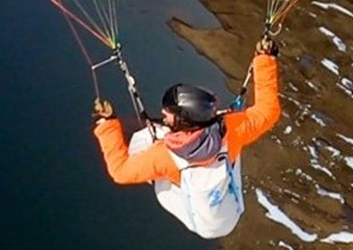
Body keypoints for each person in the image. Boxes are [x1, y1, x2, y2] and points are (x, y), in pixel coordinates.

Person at [92, 34, 280, 238]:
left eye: (168, 114)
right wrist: (264, 60)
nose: (162, 114)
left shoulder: (164, 157)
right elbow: (268, 111)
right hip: (230, 208)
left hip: (205, 224)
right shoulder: (232, 129)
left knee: (145, 140)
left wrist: (107, 124)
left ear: (184, 122)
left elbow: (120, 172)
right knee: (182, 137)